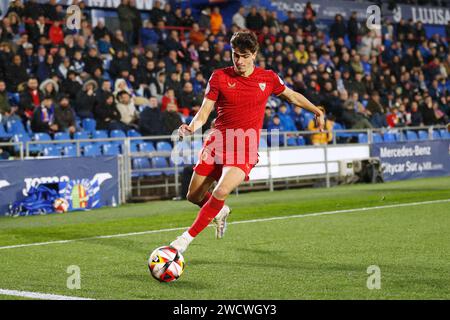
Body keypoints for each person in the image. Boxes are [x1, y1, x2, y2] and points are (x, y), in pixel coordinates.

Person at [169, 31, 324, 253]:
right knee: (193, 195)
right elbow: (204, 112)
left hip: (244, 147)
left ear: (254, 54)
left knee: (221, 191)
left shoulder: (268, 78)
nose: (239, 61)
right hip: (217, 143)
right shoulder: (219, 77)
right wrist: (191, 127)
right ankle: (219, 211)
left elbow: (292, 96)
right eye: (235, 55)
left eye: (243, 55)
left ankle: (184, 240)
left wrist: (316, 110)